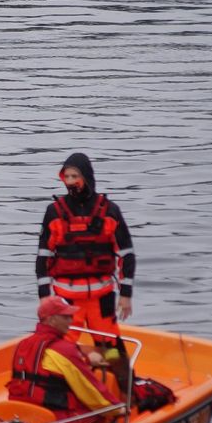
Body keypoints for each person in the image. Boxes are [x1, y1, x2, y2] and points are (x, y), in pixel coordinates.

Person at [35, 152, 135, 385]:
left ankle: (127, 393)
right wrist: (44, 298)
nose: (71, 181)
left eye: (75, 176)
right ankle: (59, 395)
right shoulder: (54, 212)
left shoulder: (109, 210)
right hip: (67, 302)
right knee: (61, 350)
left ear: (87, 177)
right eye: (67, 176)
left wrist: (126, 295)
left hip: (101, 300)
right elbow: (43, 259)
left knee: (112, 350)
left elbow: (127, 255)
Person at [8, 296, 119, 423]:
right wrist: (118, 408)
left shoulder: (23, 344)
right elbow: (90, 390)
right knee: (99, 414)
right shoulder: (64, 350)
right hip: (51, 422)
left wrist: (86, 359)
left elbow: (49, 366)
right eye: (65, 317)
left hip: (19, 414)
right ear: (51, 319)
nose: (71, 321)